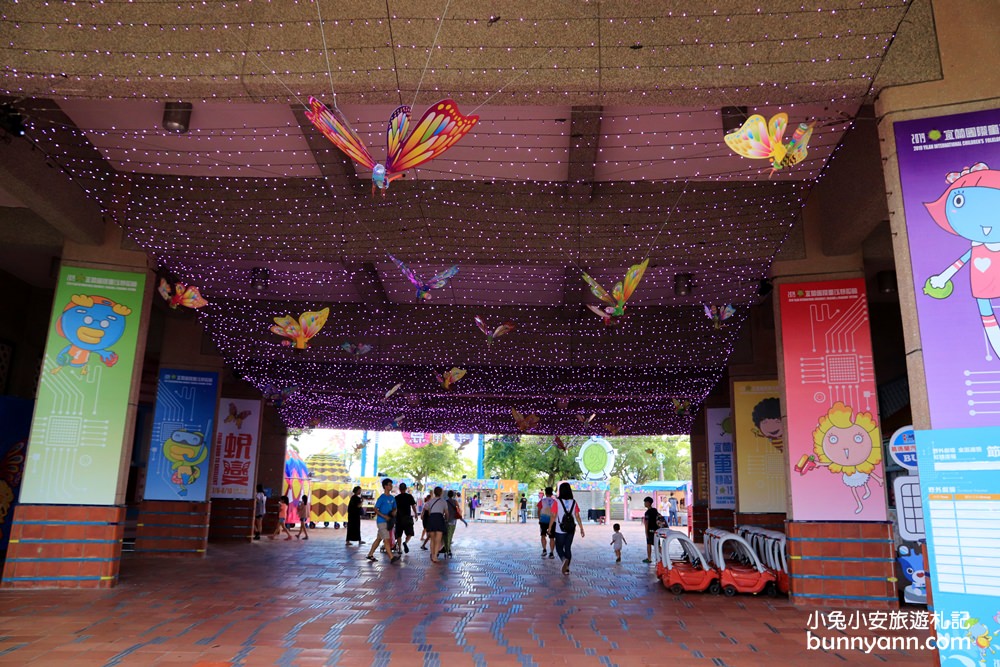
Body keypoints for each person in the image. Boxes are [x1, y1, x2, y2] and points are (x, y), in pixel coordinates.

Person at [550, 482, 584, 575]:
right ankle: (567, 568)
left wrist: (549, 528)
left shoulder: (557, 502)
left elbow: (553, 515)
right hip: (571, 528)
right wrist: (581, 528)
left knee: (559, 547)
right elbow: (577, 516)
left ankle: (563, 559)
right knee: (568, 547)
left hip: (560, 528)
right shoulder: (574, 502)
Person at [366, 478, 399, 563]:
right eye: (389, 485)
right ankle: (391, 557)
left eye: (391, 485)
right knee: (386, 539)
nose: (391, 486)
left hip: (388, 522)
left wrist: (394, 512)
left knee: (379, 539)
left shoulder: (392, 498)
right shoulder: (381, 498)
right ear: (385, 486)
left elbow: (395, 508)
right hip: (381, 521)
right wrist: (384, 516)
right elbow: (376, 509)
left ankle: (370, 554)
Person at [422, 486, 447, 563]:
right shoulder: (443, 501)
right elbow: (446, 513)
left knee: (432, 539)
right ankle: (435, 556)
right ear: (441, 493)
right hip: (439, 519)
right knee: (438, 539)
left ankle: (432, 554)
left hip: (431, 519)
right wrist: (446, 519)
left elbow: (428, 511)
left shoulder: (430, 501)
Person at [442, 490, 468, 557]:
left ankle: (446, 548)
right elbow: (458, 510)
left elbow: (443, 511)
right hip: (453, 521)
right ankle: (447, 549)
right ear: (453, 495)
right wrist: (463, 520)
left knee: (446, 535)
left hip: (446, 520)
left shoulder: (445, 502)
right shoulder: (455, 501)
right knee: (450, 535)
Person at [393, 482, 418, 554]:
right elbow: (413, 506)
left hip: (399, 518)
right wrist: (416, 514)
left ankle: (400, 548)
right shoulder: (409, 496)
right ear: (406, 489)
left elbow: (394, 508)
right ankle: (405, 542)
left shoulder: (396, 498)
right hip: (407, 518)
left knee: (398, 534)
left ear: (399, 489)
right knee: (410, 533)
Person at [537, 486, 557, 558]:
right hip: (553, 521)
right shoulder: (555, 502)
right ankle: (551, 553)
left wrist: (539, 519)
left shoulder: (542, 501)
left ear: (545, 493)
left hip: (543, 521)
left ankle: (544, 550)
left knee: (543, 535)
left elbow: (538, 511)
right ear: (552, 493)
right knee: (552, 537)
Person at [642, 496, 659, 563]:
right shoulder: (655, 510)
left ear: (648, 503)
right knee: (657, 544)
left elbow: (646, 523)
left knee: (649, 544)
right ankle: (663, 557)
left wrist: (646, 533)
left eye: (645, 502)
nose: (644, 504)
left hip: (650, 531)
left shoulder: (647, 513)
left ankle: (649, 558)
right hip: (656, 530)